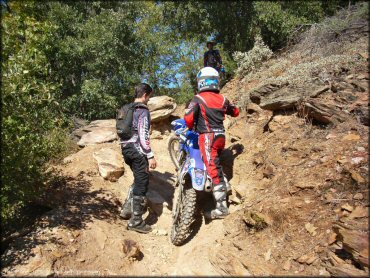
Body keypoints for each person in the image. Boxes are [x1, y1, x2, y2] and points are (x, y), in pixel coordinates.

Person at [184, 67, 239, 219]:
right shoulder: (223, 98)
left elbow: (188, 119)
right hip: (221, 136)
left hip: (207, 137)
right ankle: (224, 184)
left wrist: (193, 124)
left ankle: (222, 208)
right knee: (214, 163)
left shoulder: (198, 98)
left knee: (212, 168)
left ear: (201, 82)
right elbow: (236, 112)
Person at [119, 83, 157, 233]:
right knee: (142, 183)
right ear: (145, 95)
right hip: (137, 149)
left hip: (125, 148)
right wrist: (150, 155)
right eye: (149, 97)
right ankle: (136, 221)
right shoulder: (142, 110)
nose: (149, 100)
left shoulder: (126, 108)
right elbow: (143, 134)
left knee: (137, 178)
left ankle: (127, 210)